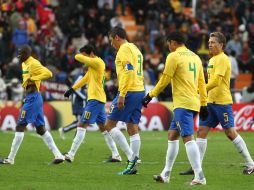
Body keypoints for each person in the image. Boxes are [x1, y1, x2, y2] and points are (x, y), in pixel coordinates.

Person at [180, 32, 254, 175]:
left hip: (222, 102)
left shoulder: (223, 59)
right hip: (210, 102)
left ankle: (250, 163)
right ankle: (197, 167)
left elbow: (216, 82)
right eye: (209, 42)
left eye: (213, 42)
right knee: (201, 132)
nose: (210, 44)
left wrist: (199, 90)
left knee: (230, 132)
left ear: (221, 45)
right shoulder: (213, 59)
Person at [142, 32, 208, 185]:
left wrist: (150, 95)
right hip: (192, 102)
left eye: (168, 43)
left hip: (183, 104)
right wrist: (203, 103)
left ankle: (199, 176)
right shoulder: (195, 57)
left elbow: (165, 79)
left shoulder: (174, 56)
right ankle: (166, 174)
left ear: (172, 42)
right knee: (172, 135)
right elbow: (202, 83)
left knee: (187, 138)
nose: (168, 46)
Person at [0, 45, 65, 165]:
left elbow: (49, 73)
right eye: (18, 55)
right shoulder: (24, 64)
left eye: (21, 55)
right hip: (32, 97)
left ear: (27, 54)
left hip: (33, 98)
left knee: (20, 126)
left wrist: (34, 78)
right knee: (40, 129)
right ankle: (59, 155)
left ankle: (10, 159)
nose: (19, 57)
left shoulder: (34, 63)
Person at [63, 44, 122, 163]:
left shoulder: (97, 62)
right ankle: (116, 155)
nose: (84, 60)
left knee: (81, 125)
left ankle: (71, 154)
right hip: (98, 100)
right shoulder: (92, 67)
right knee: (104, 128)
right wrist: (72, 89)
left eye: (85, 55)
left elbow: (78, 58)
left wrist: (76, 54)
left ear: (90, 54)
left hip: (95, 100)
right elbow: (85, 79)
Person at [106, 26, 145, 175]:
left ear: (117, 37)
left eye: (111, 40)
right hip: (139, 89)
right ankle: (133, 163)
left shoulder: (123, 49)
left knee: (109, 125)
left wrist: (122, 94)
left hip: (128, 91)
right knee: (132, 127)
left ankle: (132, 158)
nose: (111, 44)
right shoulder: (135, 48)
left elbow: (129, 70)